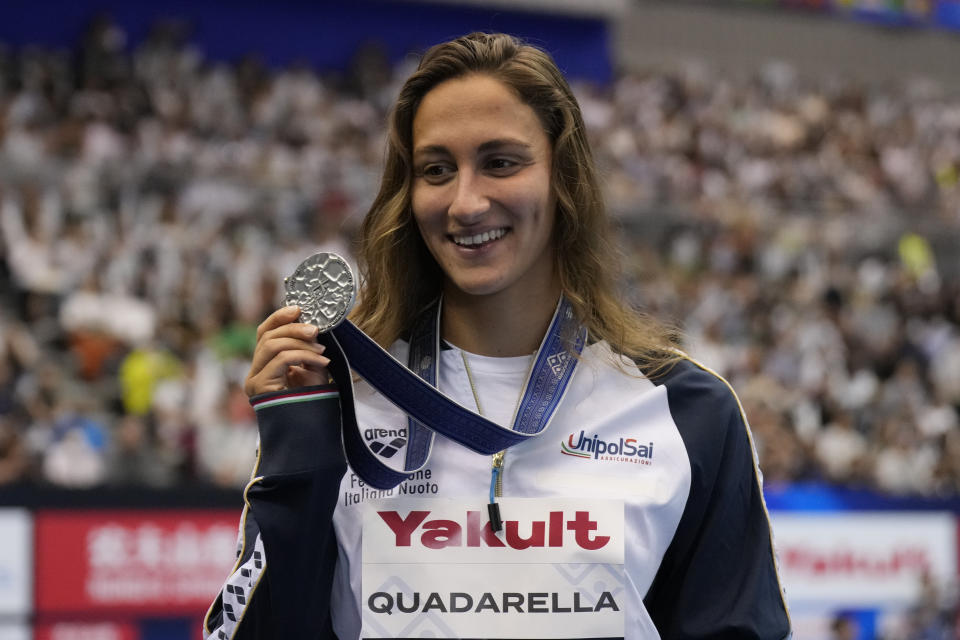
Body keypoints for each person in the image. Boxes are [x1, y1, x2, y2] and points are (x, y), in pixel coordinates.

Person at [204, 32, 791, 640]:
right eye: (436, 170)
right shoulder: (348, 403)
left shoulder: (685, 410)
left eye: (500, 162)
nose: (465, 202)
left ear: (563, 177)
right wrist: (297, 452)